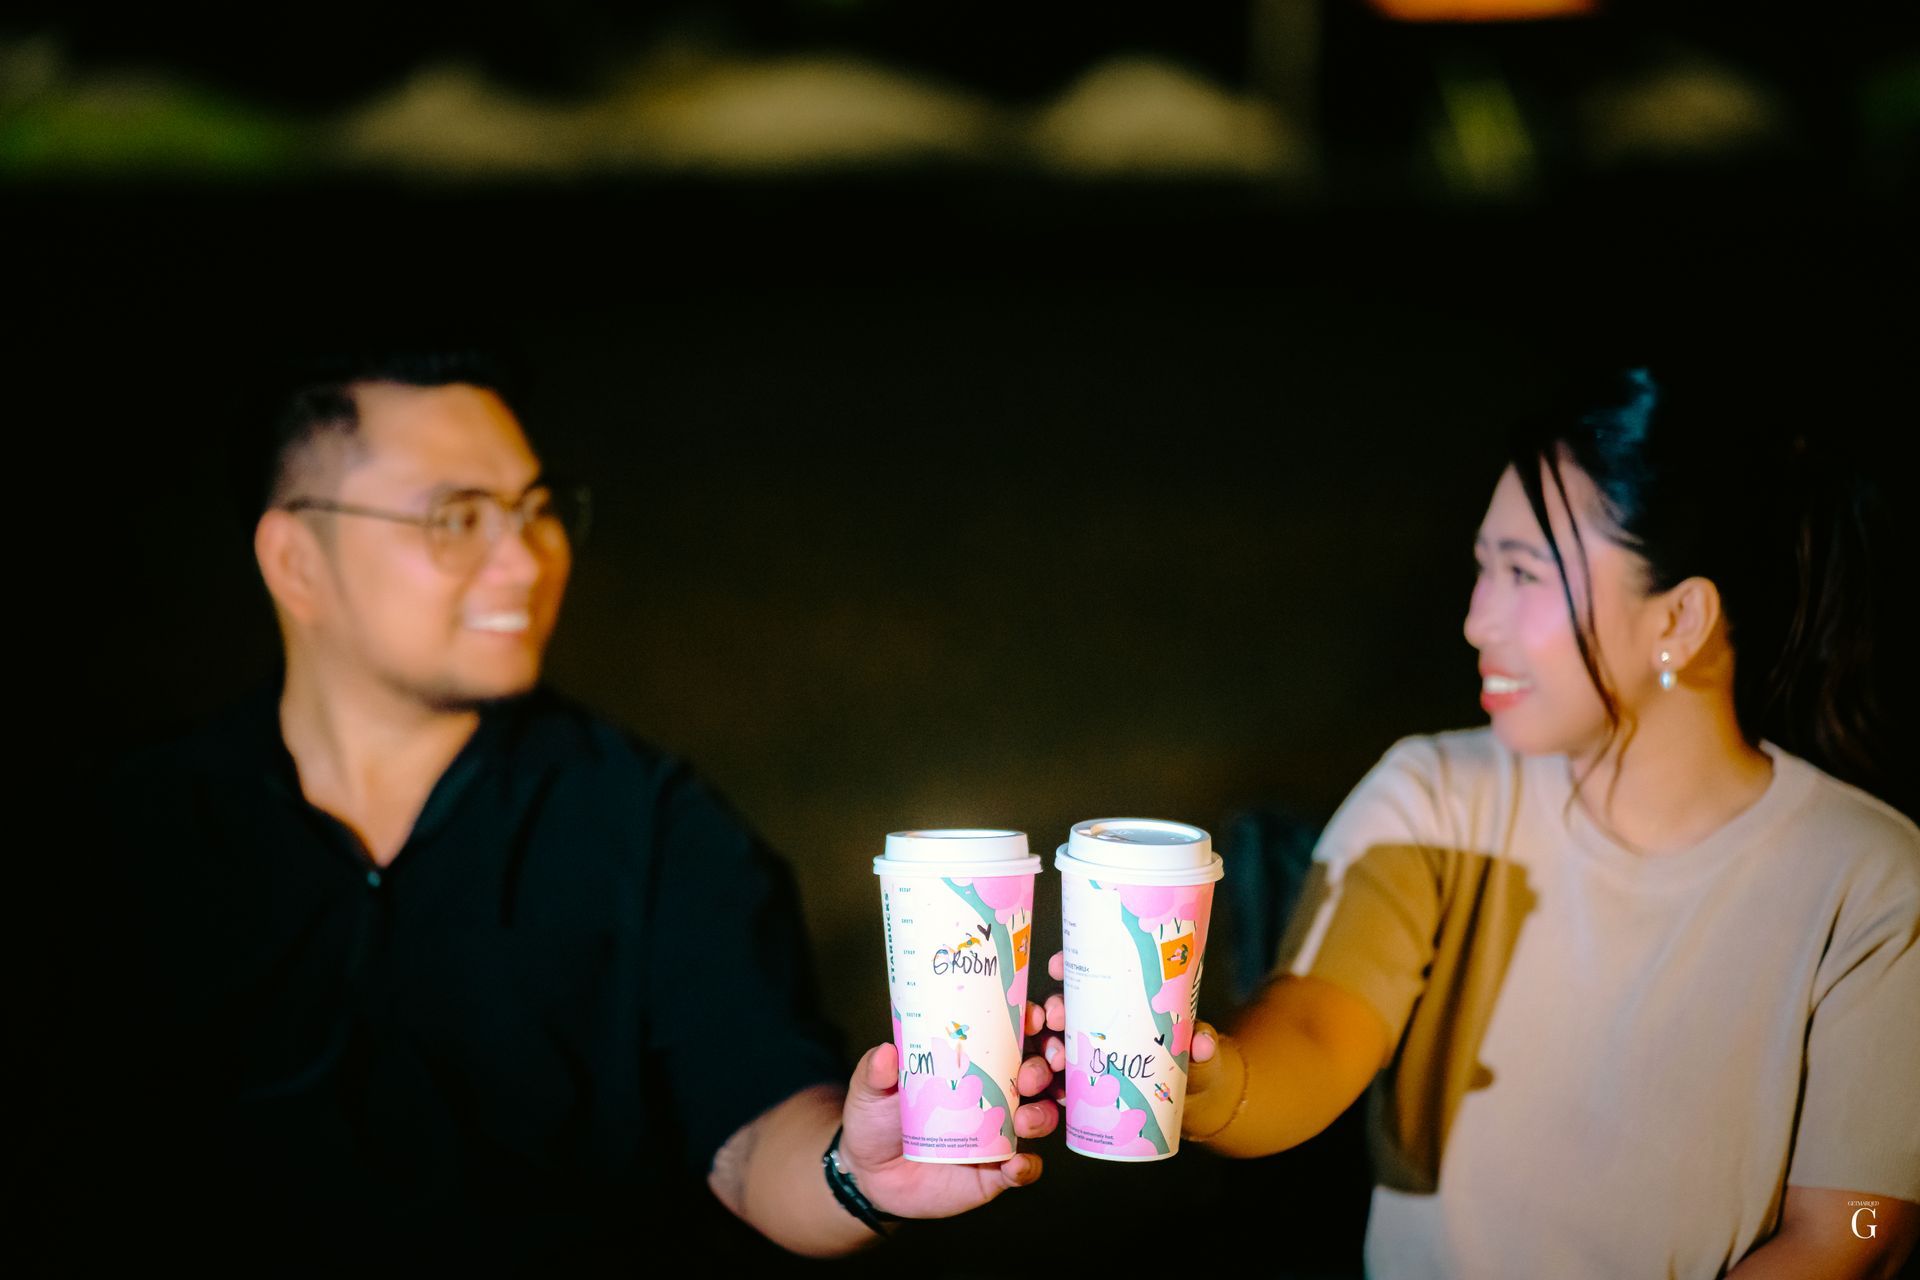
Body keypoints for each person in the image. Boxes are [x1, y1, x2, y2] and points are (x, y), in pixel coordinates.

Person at [28, 350, 1064, 1271]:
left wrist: (856, 1170)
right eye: (456, 518)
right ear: (297, 561)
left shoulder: (648, 824)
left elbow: (755, 1131)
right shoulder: (130, 834)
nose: (526, 560)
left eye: (534, 508)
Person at [1168, 367, 1919, 1276]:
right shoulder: (1437, 796)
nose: (1476, 621)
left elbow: (1857, 1231)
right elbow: (1319, 1032)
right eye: (1483, 567)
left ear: (1680, 618)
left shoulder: (1869, 877)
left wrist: (1857, 1236)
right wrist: (1203, 1080)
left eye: (1523, 573)